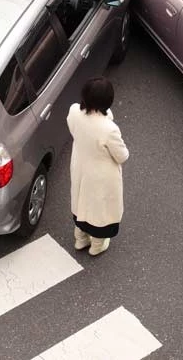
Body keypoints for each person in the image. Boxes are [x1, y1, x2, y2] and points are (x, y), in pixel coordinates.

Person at [67, 77, 129, 256]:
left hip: (80, 165)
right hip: (101, 176)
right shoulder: (109, 129)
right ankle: (97, 245)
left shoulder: (73, 112)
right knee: (99, 210)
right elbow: (122, 156)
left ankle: (80, 239)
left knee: (81, 202)